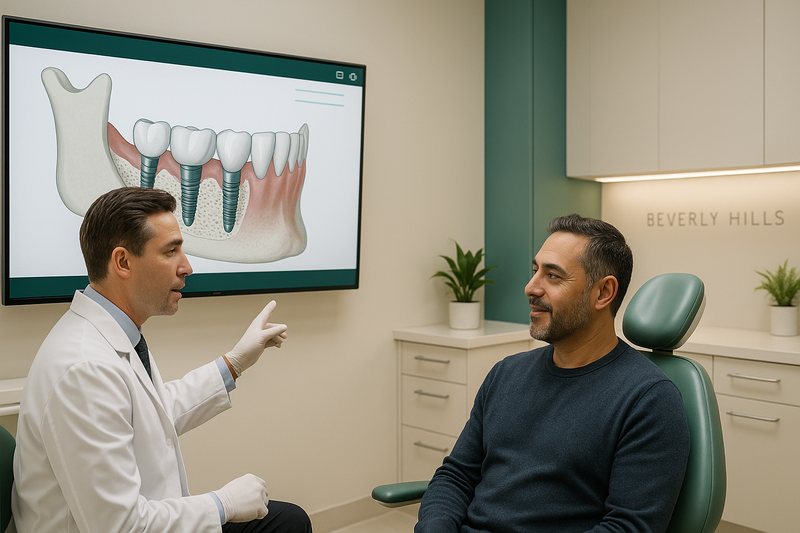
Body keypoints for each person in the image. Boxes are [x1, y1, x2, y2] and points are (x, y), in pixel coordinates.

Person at [12, 187, 312, 533]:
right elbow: (120, 527)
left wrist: (234, 363)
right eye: (171, 252)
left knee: (288, 519)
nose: (187, 267)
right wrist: (222, 504)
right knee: (285, 524)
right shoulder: (84, 368)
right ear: (122, 262)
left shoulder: (117, 333)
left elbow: (151, 414)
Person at [415, 214, 690, 533]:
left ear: (603, 293)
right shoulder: (506, 373)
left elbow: (628, 527)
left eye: (553, 276)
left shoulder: (649, 399)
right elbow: (457, 475)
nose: (530, 288)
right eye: (535, 271)